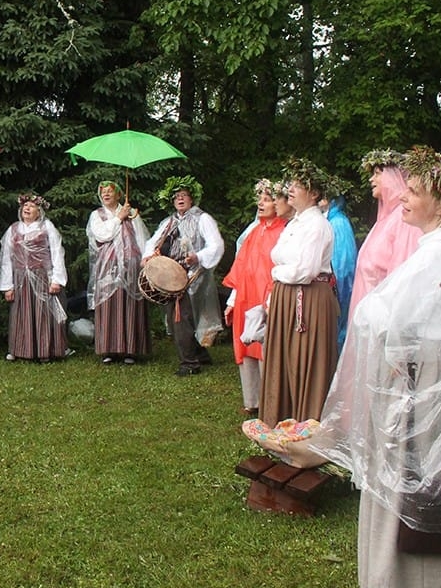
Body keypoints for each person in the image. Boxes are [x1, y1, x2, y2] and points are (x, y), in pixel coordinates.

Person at [248, 147, 441, 588]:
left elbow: (382, 317)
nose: (403, 198)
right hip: (438, 384)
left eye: (415, 192)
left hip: (425, 390)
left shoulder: (440, 252)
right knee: (440, 486)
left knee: (414, 486)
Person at [259, 159, 339, 427]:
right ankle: (280, 417)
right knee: (284, 357)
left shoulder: (317, 225)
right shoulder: (293, 224)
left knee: (304, 360)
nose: (290, 190)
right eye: (290, 184)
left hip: (308, 298)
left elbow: (304, 271)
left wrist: (276, 274)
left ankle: (307, 423)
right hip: (288, 296)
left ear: (314, 193)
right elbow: (280, 258)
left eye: (298, 185)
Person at [144, 176, 224, 376]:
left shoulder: (202, 218)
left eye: (184, 196)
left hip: (194, 274)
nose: (180, 199)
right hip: (173, 276)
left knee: (182, 318)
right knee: (181, 318)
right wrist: (148, 256)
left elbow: (216, 245)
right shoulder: (169, 222)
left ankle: (189, 363)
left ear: (192, 199)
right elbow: (153, 242)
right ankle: (200, 356)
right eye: (177, 196)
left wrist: (198, 256)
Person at [222, 179, 288, 416]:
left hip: (266, 299)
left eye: (268, 199)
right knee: (245, 344)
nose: (261, 203)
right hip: (246, 298)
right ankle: (252, 400)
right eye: (259, 198)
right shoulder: (254, 231)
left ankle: (270, 402)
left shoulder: (284, 232)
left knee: (264, 347)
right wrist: (232, 300)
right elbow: (241, 268)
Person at [86, 180, 150, 365]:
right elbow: (102, 235)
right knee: (108, 304)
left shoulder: (132, 213)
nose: (105, 195)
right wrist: (118, 218)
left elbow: (142, 238)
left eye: (109, 192)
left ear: (118, 195)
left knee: (129, 304)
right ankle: (109, 349)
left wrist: (145, 261)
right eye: (103, 192)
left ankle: (131, 349)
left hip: (130, 265)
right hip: (107, 268)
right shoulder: (96, 215)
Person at [350, 149, 420, 315]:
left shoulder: (404, 219)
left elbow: (401, 277)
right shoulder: (383, 220)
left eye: (377, 173)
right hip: (366, 310)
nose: (371, 179)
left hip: (381, 315)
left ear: (393, 176)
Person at [0, 193, 67, 362]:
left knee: (43, 313)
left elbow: (57, 253)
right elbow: (6, 258)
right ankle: (20, 348)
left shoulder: (47, 227)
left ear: (40, 210)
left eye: (31, 205)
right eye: (25, 205)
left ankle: (45, 350)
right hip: (20, 278)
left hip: (42, 277)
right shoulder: (13, 229)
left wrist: (57, 280)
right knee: (22, 313)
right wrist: (7, 285)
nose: (27, 208)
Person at [322, 191, 358, 350]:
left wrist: (333, 296)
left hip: (337, 293)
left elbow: (343, 268)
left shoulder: (338, 223)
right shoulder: (330, 220)